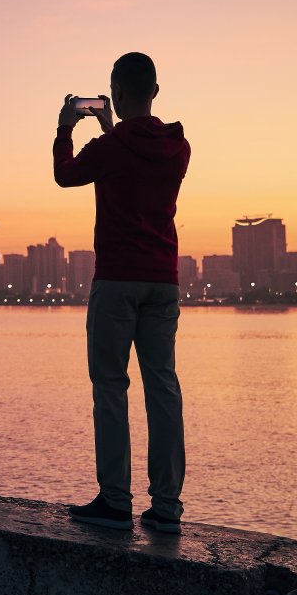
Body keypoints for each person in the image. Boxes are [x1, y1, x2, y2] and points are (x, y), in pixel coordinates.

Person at [53, 52, 191, 533]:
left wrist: (66, 128)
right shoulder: (179, 146)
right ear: (155, 91)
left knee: (111, 386)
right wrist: (112, 128)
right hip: (163, 280)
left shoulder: (111, 146)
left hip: (116, 281)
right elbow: (138, 155)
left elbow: (66, 173)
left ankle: (115, 502)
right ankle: (167, 507)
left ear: (114, 93)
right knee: (164, 388)